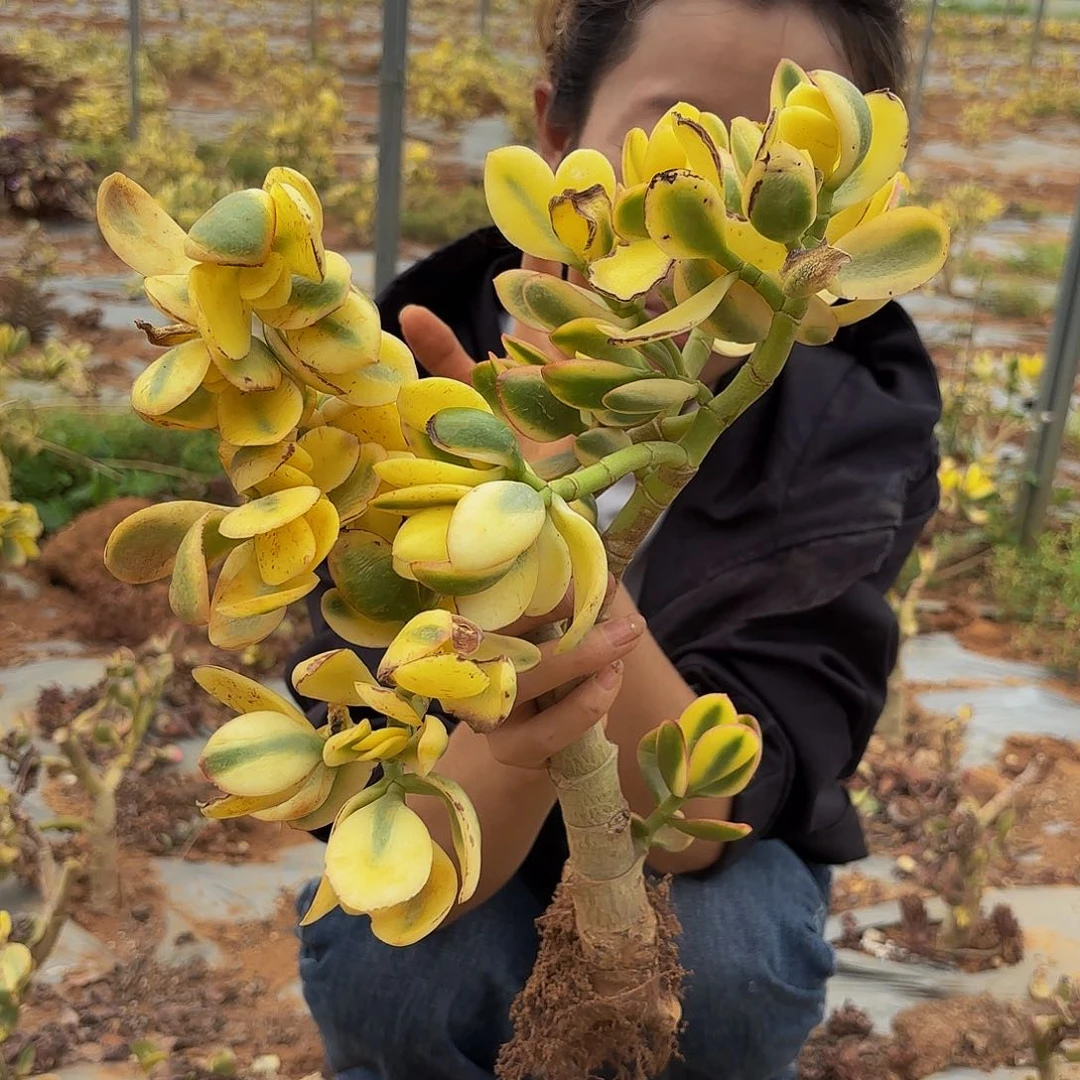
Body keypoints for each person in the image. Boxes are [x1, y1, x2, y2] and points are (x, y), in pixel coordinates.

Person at [290, 0, 941, 1077]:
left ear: (852, 200)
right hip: (463, 820)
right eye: (677, 145)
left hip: (687, 831)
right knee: (399, 969)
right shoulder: (402, 377)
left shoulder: (853, 417)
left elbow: (697, 822)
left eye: (772, 171)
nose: (721, 216)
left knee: (725, 965)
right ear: (557, 133)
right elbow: (423, 854)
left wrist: (542, 550)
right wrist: (522, 518)